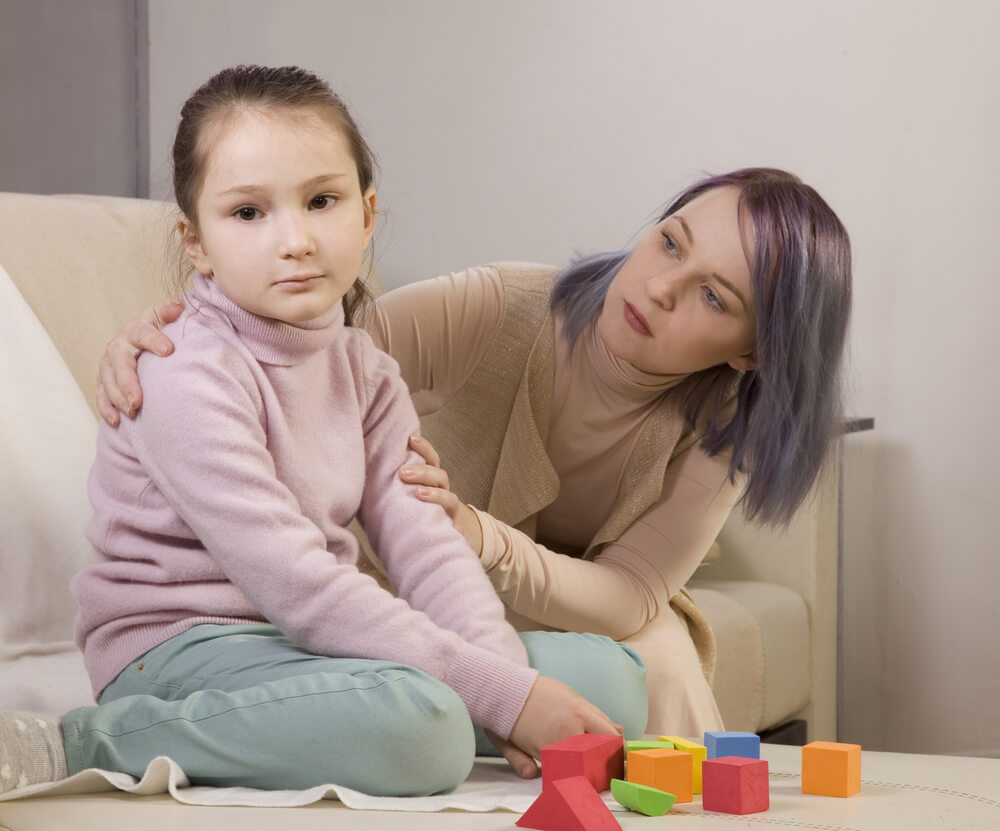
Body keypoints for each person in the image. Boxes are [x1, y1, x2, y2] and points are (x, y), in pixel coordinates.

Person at [0, 65, 654, 799]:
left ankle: (388, 710)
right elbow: (297, 581)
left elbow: (427, 548)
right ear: (196, 241)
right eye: (249, 213)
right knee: (426, 729)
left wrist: (503, 680)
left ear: (367, 214)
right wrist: (500, 697)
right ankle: (83, 738)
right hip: (181, 648)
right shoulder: (183, 371)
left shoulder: (366, 371)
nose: (297, 239)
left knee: (612, 680)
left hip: (304, 642)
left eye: (321, 200)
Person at [97, 163, 852, 736]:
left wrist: (482, 536)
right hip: (403, 576)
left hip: (541, 599)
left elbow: (629, 595)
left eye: (715, 297)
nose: (659, 288)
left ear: (754, 352)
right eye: (669, 243)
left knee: (660, 648)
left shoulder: (724, 426)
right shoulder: (499, 308)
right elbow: (306, 360)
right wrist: (176, 343)